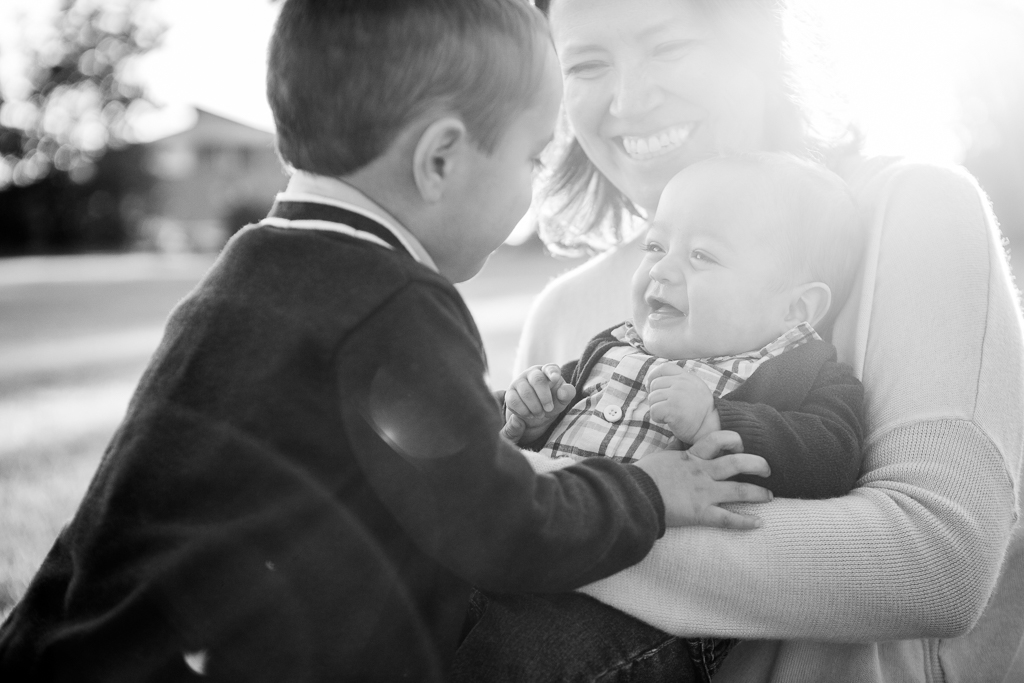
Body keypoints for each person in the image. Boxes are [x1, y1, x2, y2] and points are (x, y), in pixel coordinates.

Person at [0, 1, 779, 682]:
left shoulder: (252, 268)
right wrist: (649, 490)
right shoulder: (395, 301)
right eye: (531, 157)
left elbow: (382, 452)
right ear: (440, 159)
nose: (532, 189)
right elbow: (501, 526)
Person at [485, 0, 1024, 681]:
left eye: (667, 48)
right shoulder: (566, 311)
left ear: (757, 38)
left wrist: (536, 513)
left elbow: (936, 560)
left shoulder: (914, 212)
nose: (629, 99)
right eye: (588, 64)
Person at [458, 154, 867, 682]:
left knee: (520, 661)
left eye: (701, 256)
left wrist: (716, 420)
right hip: (537, 550)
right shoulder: (615, 345)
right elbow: (516, 431)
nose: (661, 269)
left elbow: (833, 456)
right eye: (655, 246)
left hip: (642, 612)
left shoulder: (803, 371)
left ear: (795, 309)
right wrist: (531, 419)